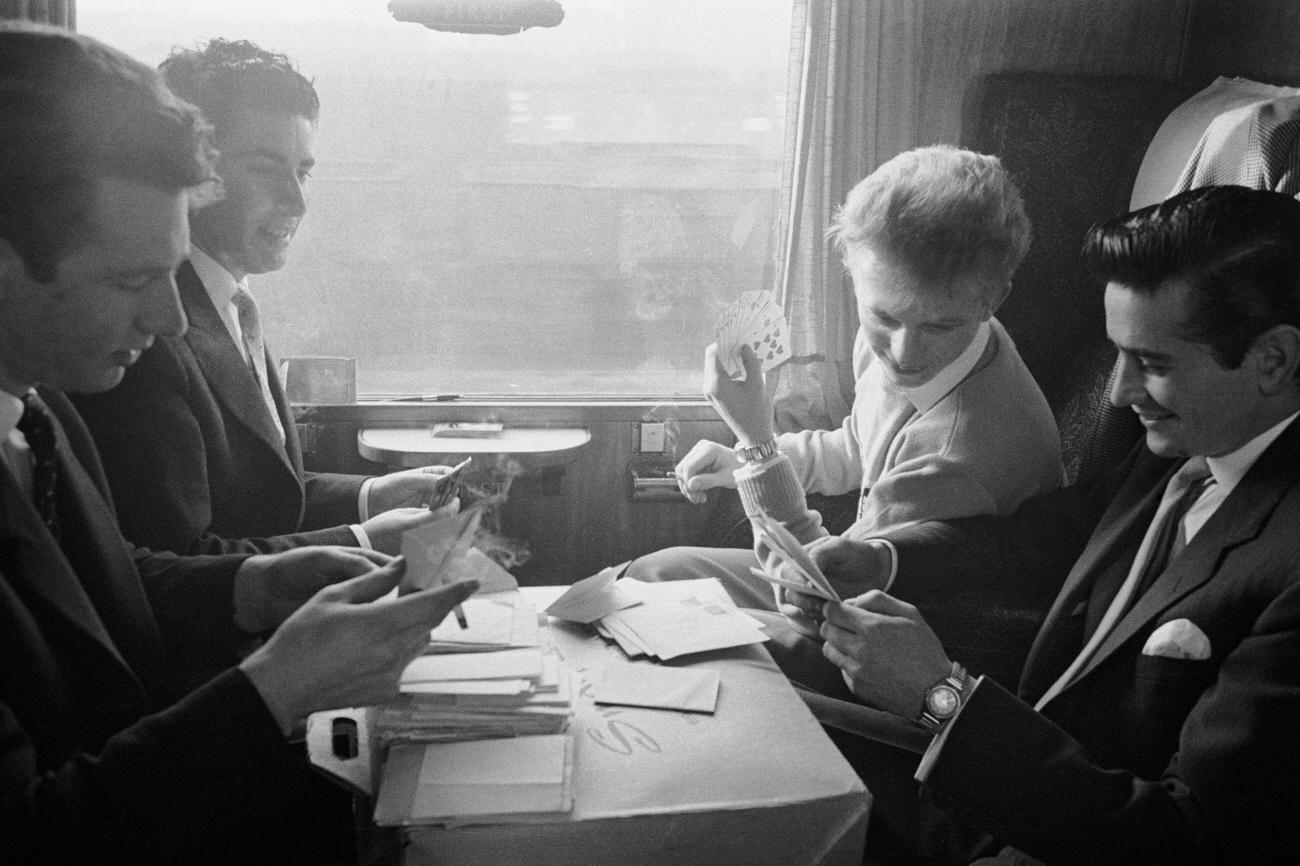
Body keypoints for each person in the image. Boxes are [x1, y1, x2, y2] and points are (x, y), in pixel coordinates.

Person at [0, 24, 476, 863]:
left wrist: (255, 584)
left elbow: (109, 578)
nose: (171, 319)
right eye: (130, 280)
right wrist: (280, 685)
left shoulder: (39, 407)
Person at [786, 185, 1300, 863]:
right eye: (1118, 354)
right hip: (1013, 782)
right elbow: (1039, 540)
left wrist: (943, 698)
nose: (1119, 392)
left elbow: (1181, 838)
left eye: (1152, 364)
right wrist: (879, 559)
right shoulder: (1191, 442)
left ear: (1272, 361)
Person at [626, 145, 1063, 609]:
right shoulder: (935, 330)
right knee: (652, 575)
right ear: (852, 275)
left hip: (905, 627)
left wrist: (757, 445)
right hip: (853, 583)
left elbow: (815, 593)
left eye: (939, 326)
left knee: (656, 600)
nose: (903, 354)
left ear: (991, 300)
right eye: (884, 318)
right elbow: (858, 446)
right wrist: (746, 465)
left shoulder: (962, 455)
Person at [70, 38, 450, 557]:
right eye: (267, 168)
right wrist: (362, 541)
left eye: (304, 171)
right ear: (193, 170)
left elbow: (256, 495)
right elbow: (173, 562)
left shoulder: (229, 303)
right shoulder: (145, 333)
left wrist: (370, 497)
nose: (296, 200)